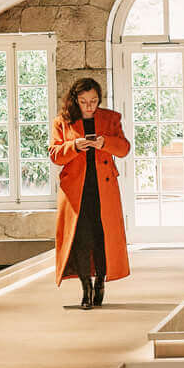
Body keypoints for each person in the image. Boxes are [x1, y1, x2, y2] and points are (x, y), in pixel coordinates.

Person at [50, 76, 130, 307]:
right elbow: (55, 155)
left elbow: (124, 149)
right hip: (76, 191)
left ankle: (100, 283)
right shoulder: (62, 122)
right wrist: (74, 146)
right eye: (84, 101)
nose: (89, 106)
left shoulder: (111, 118)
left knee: (102, 238)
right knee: (81, 240)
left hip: (104, 190)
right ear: (75, 100)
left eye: (94, 101)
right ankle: (85, 288)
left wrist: (105, 143)